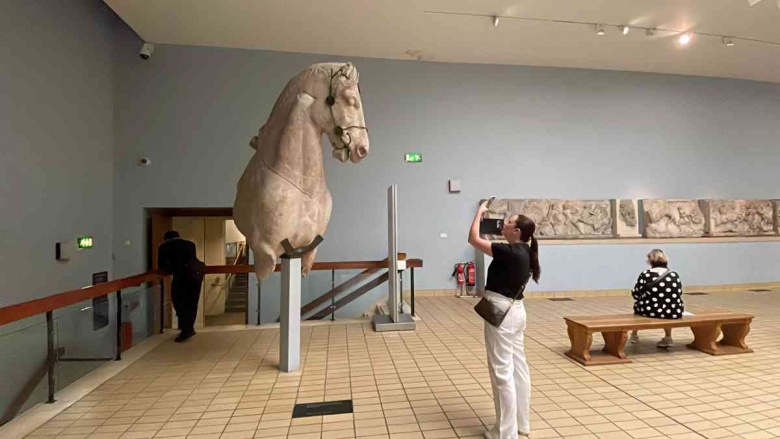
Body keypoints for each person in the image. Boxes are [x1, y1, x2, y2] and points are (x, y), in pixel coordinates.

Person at [468, 202, 540, 439]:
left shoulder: (508, 251)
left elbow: (474, 239)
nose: (504, 224)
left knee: (502, 371)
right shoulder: (527, 252)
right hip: (517, 311)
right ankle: (522, 424)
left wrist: (479, 212)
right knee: (519, 367)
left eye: (509, 222)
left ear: (517, 231)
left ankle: (505, 433)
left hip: (501, 312)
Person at [629, 249, 684, 348]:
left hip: (651, 310)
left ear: (651, 261)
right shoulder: (674, 274)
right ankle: (668, 337)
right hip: (673, 311)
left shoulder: (646, 274)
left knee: (638, 305)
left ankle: (634, 335)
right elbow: (679, 292)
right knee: (668, 305)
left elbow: (636, 294)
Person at [158, 230, 205, 342]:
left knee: (179, 303)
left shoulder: (164, 247)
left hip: (180, 278)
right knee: (192, 303)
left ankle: (185, 330)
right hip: (195, 277)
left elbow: (162, 265)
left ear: (167, 239)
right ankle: (189, 328)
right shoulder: (190, 244)